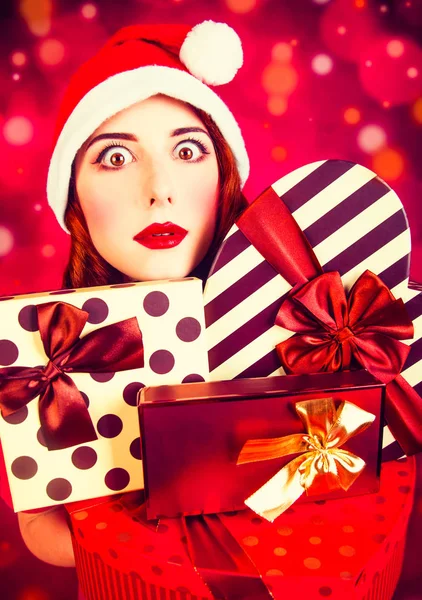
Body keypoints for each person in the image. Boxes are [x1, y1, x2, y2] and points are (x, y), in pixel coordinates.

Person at [0, 20, 250, 570]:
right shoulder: (47, 358)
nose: (159, 188)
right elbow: (41, 526)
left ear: (225, 173)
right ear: (74, 200)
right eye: (115, 156)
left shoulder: (299, 318)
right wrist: (143, 547)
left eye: (188, 151)